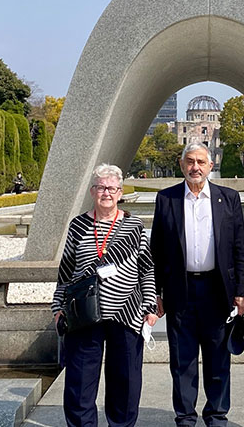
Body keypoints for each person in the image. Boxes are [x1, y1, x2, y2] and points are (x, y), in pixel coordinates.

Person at [151, 143, 244, 427]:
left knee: (218, 358)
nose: (195, 167)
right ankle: (185, 417)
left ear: (210, 165)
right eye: (190, 162)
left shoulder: (228, 198)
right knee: (183, 360)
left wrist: (242, 292)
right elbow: (156, 250)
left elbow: (239, 249)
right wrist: (155, 293)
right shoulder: (166, 199)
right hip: (179, 290)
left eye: (201, 162)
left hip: (217, 291)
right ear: (182, 166)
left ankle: (217, 416)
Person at [52, 163, 158, 427]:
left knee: (126, 381)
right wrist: (57, 307)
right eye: (101, 187)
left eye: (112, 188)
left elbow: (146, 269)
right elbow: (65, 271)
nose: (106, 193)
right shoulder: (78, 226)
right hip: (84, 313)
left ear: (120, 192)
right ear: (92, 191)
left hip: (127, 312)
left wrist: (149, 305)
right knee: (80, 382)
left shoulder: (134, 226)